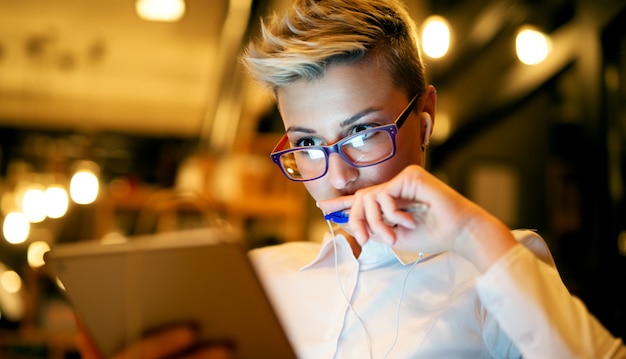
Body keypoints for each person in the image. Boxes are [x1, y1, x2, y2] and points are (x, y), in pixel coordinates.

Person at [81, 0, 626, 358]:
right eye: (310, 143)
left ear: (425, 119)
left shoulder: (499, 263)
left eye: (363, 133)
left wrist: (473, 235)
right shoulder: (256, 280)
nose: (338, 177)